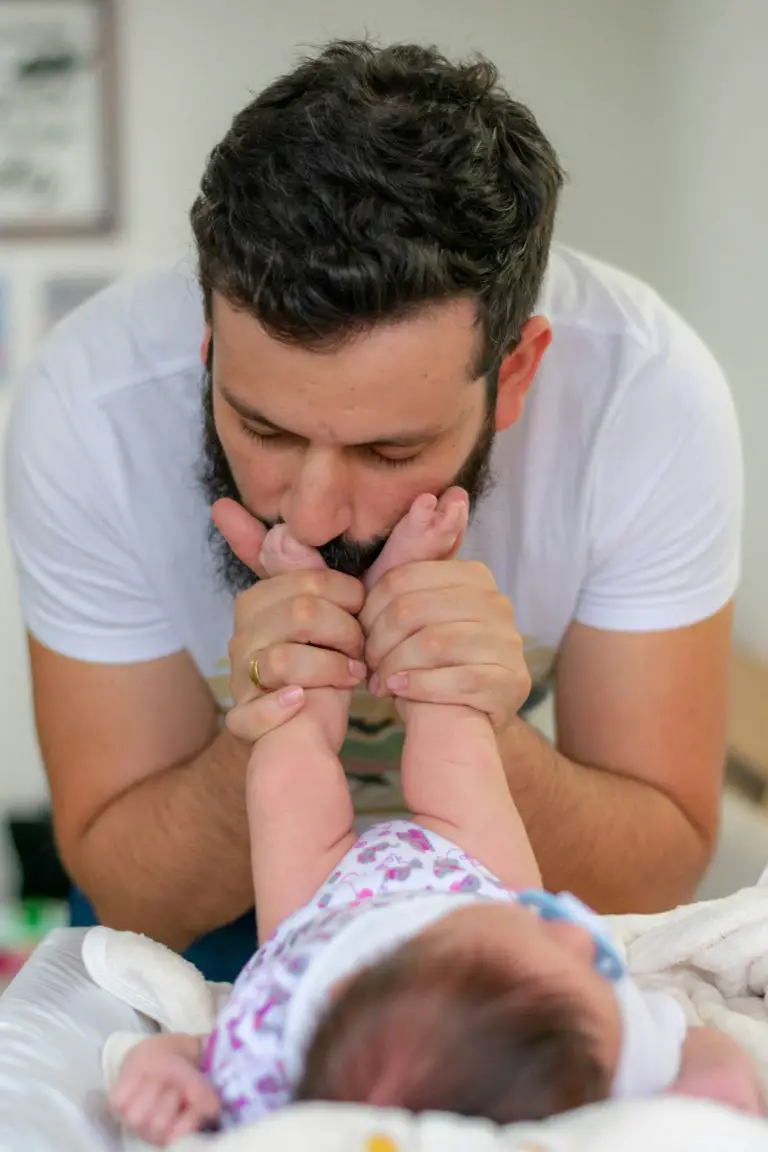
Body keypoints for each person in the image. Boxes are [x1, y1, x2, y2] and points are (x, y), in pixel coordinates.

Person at [4, 40, 742, 983]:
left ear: (515, 374)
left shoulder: (649, 402)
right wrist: (274, 734)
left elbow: (661, 868)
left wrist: (480, 730)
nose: (310, 513)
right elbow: (133, 896)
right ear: (207, 341)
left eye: (389, 451)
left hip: (508, 896)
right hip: (207, 922)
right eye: (261, 427)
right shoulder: (88, 407)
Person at [110, 494, 761, 1146]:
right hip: (477, 882)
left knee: (287, 771)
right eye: (576, 966)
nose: (568, 927)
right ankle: (410, 593)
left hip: (315, 924)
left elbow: (185, 1051)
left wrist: (162, 1077)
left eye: (533, 941)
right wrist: (716, 1084)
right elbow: (692, 1039)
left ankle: (308, 609)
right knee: (458, 748)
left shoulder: (275, 1063)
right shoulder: (614, 1057)